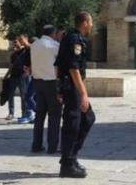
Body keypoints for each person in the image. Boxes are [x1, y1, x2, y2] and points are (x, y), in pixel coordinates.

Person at [55, 11, 96, 178]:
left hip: (69, 86)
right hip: (72, 88)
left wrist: (59, 88)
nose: (92, 25)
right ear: (85, 22)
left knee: (87, 118)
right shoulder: (75, 40)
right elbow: (73, 68)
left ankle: (70, 158)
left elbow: (59, 65)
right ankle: (67, 164)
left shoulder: (69, 37)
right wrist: (83, 94)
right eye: (91, 22)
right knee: (73, 124)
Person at [26, 25, 63, 154]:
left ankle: (36, 145)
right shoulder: (54, 46)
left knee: (39, 115)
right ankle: (52, 146)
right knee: (54, 115)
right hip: (51, 83)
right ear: (53, 33)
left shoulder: (34, 45)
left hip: (38, 82)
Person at [16, 34, 36, 124]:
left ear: (26, 39)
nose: (20, 41)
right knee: (26, 95)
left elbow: (34, 60)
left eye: (21, 39)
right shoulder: (25, 49)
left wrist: (29, 71)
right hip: (25, 73)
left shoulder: (32, 48)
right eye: (19, 40)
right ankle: (27, 113)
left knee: (29, 95)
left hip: (29, 74)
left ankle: (31, 114)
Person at [6, 38, 26, 121]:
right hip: (13, 76)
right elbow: (11, 66)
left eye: (16, 42)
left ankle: (24, 113)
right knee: (10, 95)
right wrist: (6, 75)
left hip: (21, 76)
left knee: (23, 96)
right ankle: (11, 113)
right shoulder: (13, 54)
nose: (15, 43)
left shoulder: (24, 52)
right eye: (14, 42)